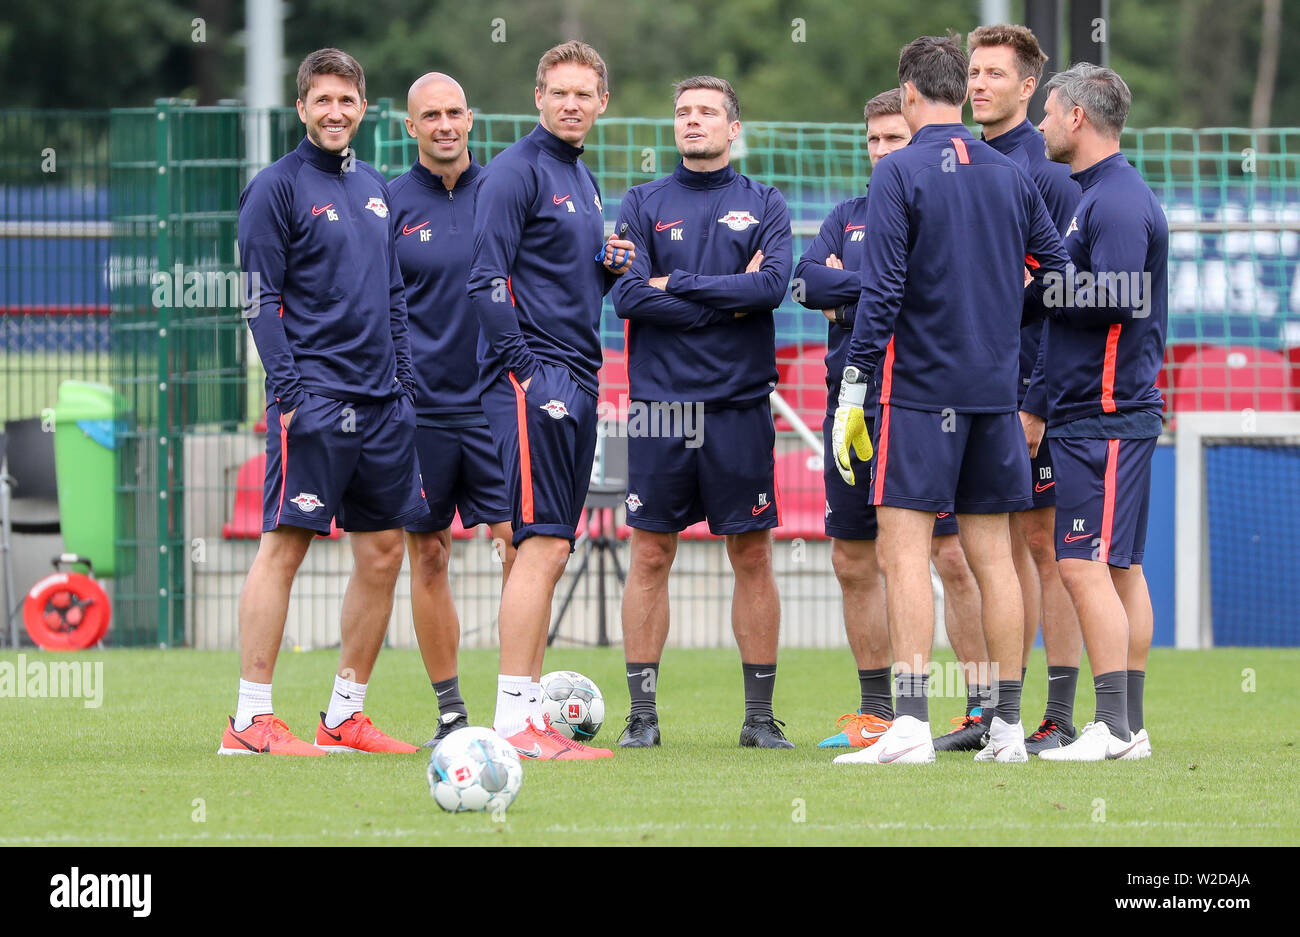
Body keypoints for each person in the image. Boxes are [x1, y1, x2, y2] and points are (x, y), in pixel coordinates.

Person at [832, 33, 1070, 765]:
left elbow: (882, 291)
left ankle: (908, 724)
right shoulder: (1005, 172)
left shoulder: (899, 171)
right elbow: (1058, 271)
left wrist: (854, 386)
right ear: (961, 94)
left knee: (903, 551)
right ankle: (1004, 728)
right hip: (995, 397)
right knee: (994, 557)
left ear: (909, 95)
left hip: (917, 395)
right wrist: (1003, 317)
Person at [222, 48, 427, 756]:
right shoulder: (274, 188)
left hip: (382, 405)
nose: (335, 112)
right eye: (322, 100)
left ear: (363, 109)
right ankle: (249, 721)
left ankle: (343, 716)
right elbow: (258, 297)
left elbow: (394, 292)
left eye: (348, 100)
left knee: (381, 552)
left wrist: (402, 382)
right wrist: (289, 389)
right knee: (284, 547)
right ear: (302, 107)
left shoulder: (375, 185)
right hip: (314, 398)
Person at [792, 88, 985, 752]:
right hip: (847, 402)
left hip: (919, 401)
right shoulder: (845, 214)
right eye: (871, 140)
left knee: (950, 553)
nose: (879, 151)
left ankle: (980, 705)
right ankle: (879, 713)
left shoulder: (937, 210)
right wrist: (872, 284)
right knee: (854, 557)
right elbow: (804, 281)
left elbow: (913, 288)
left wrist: (861, 284)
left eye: (893, 139)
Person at [611, 76, 794, 749]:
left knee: (750, 552)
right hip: (661, 406)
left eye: (707, 112)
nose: (693, 122)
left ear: (733, 127)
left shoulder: (764, 202)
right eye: (683, 112)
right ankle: (643, 716)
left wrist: (678, 283)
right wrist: (728, 296)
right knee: (651, 551)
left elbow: (772, 286)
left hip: (738, 404)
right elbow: (628, 297)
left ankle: (757, 718)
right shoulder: (641, 201)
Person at [467, 40, 635, 761]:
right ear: (538, 98)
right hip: (536, 381)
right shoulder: (514, 172)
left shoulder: (583, 178)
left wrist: (604, 266)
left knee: (550, 547)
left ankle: (530, 711)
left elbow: (561, 285)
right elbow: (486, 282)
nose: (570, 103)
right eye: (557, 91)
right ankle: (513, 723)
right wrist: (530, 378)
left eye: (583, 93)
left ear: (603, 103)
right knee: (538, 545)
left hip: (576, 375)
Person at [1031, 63, 1166, 761]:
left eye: (1049, 113)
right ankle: (1128, 726)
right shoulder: (1098, 194)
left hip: (1106, 413)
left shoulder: (1114, 199)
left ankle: (1113, 726)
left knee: (1082, 564)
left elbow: (1115, 296)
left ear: (1077, 118)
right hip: (1103, 415)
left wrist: (1043, 285)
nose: (1043, 125)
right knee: (1118, 569)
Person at [957, 23, 1085, 754]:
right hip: (976, 388)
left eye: (995, 74)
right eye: (973, 72)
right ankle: (999, 709)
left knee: (1045, 543)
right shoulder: (963, 159)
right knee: (993, 547)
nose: (980, 84)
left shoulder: (1046, 170)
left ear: (1029, 86)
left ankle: (1058, 714)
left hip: (1031, 393)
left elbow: (1055, 293)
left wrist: (1034, 399)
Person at [389, 72, 516, 746]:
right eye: (429, 115)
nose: (444, 124)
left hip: (498, 403)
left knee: (518, 548)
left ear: (471, 118)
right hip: (421, 413)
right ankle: (451, 710)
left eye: (454, 112)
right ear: (410, 126)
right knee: (428, 556)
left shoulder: (504, 190)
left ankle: (517, 706)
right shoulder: (387, 204)